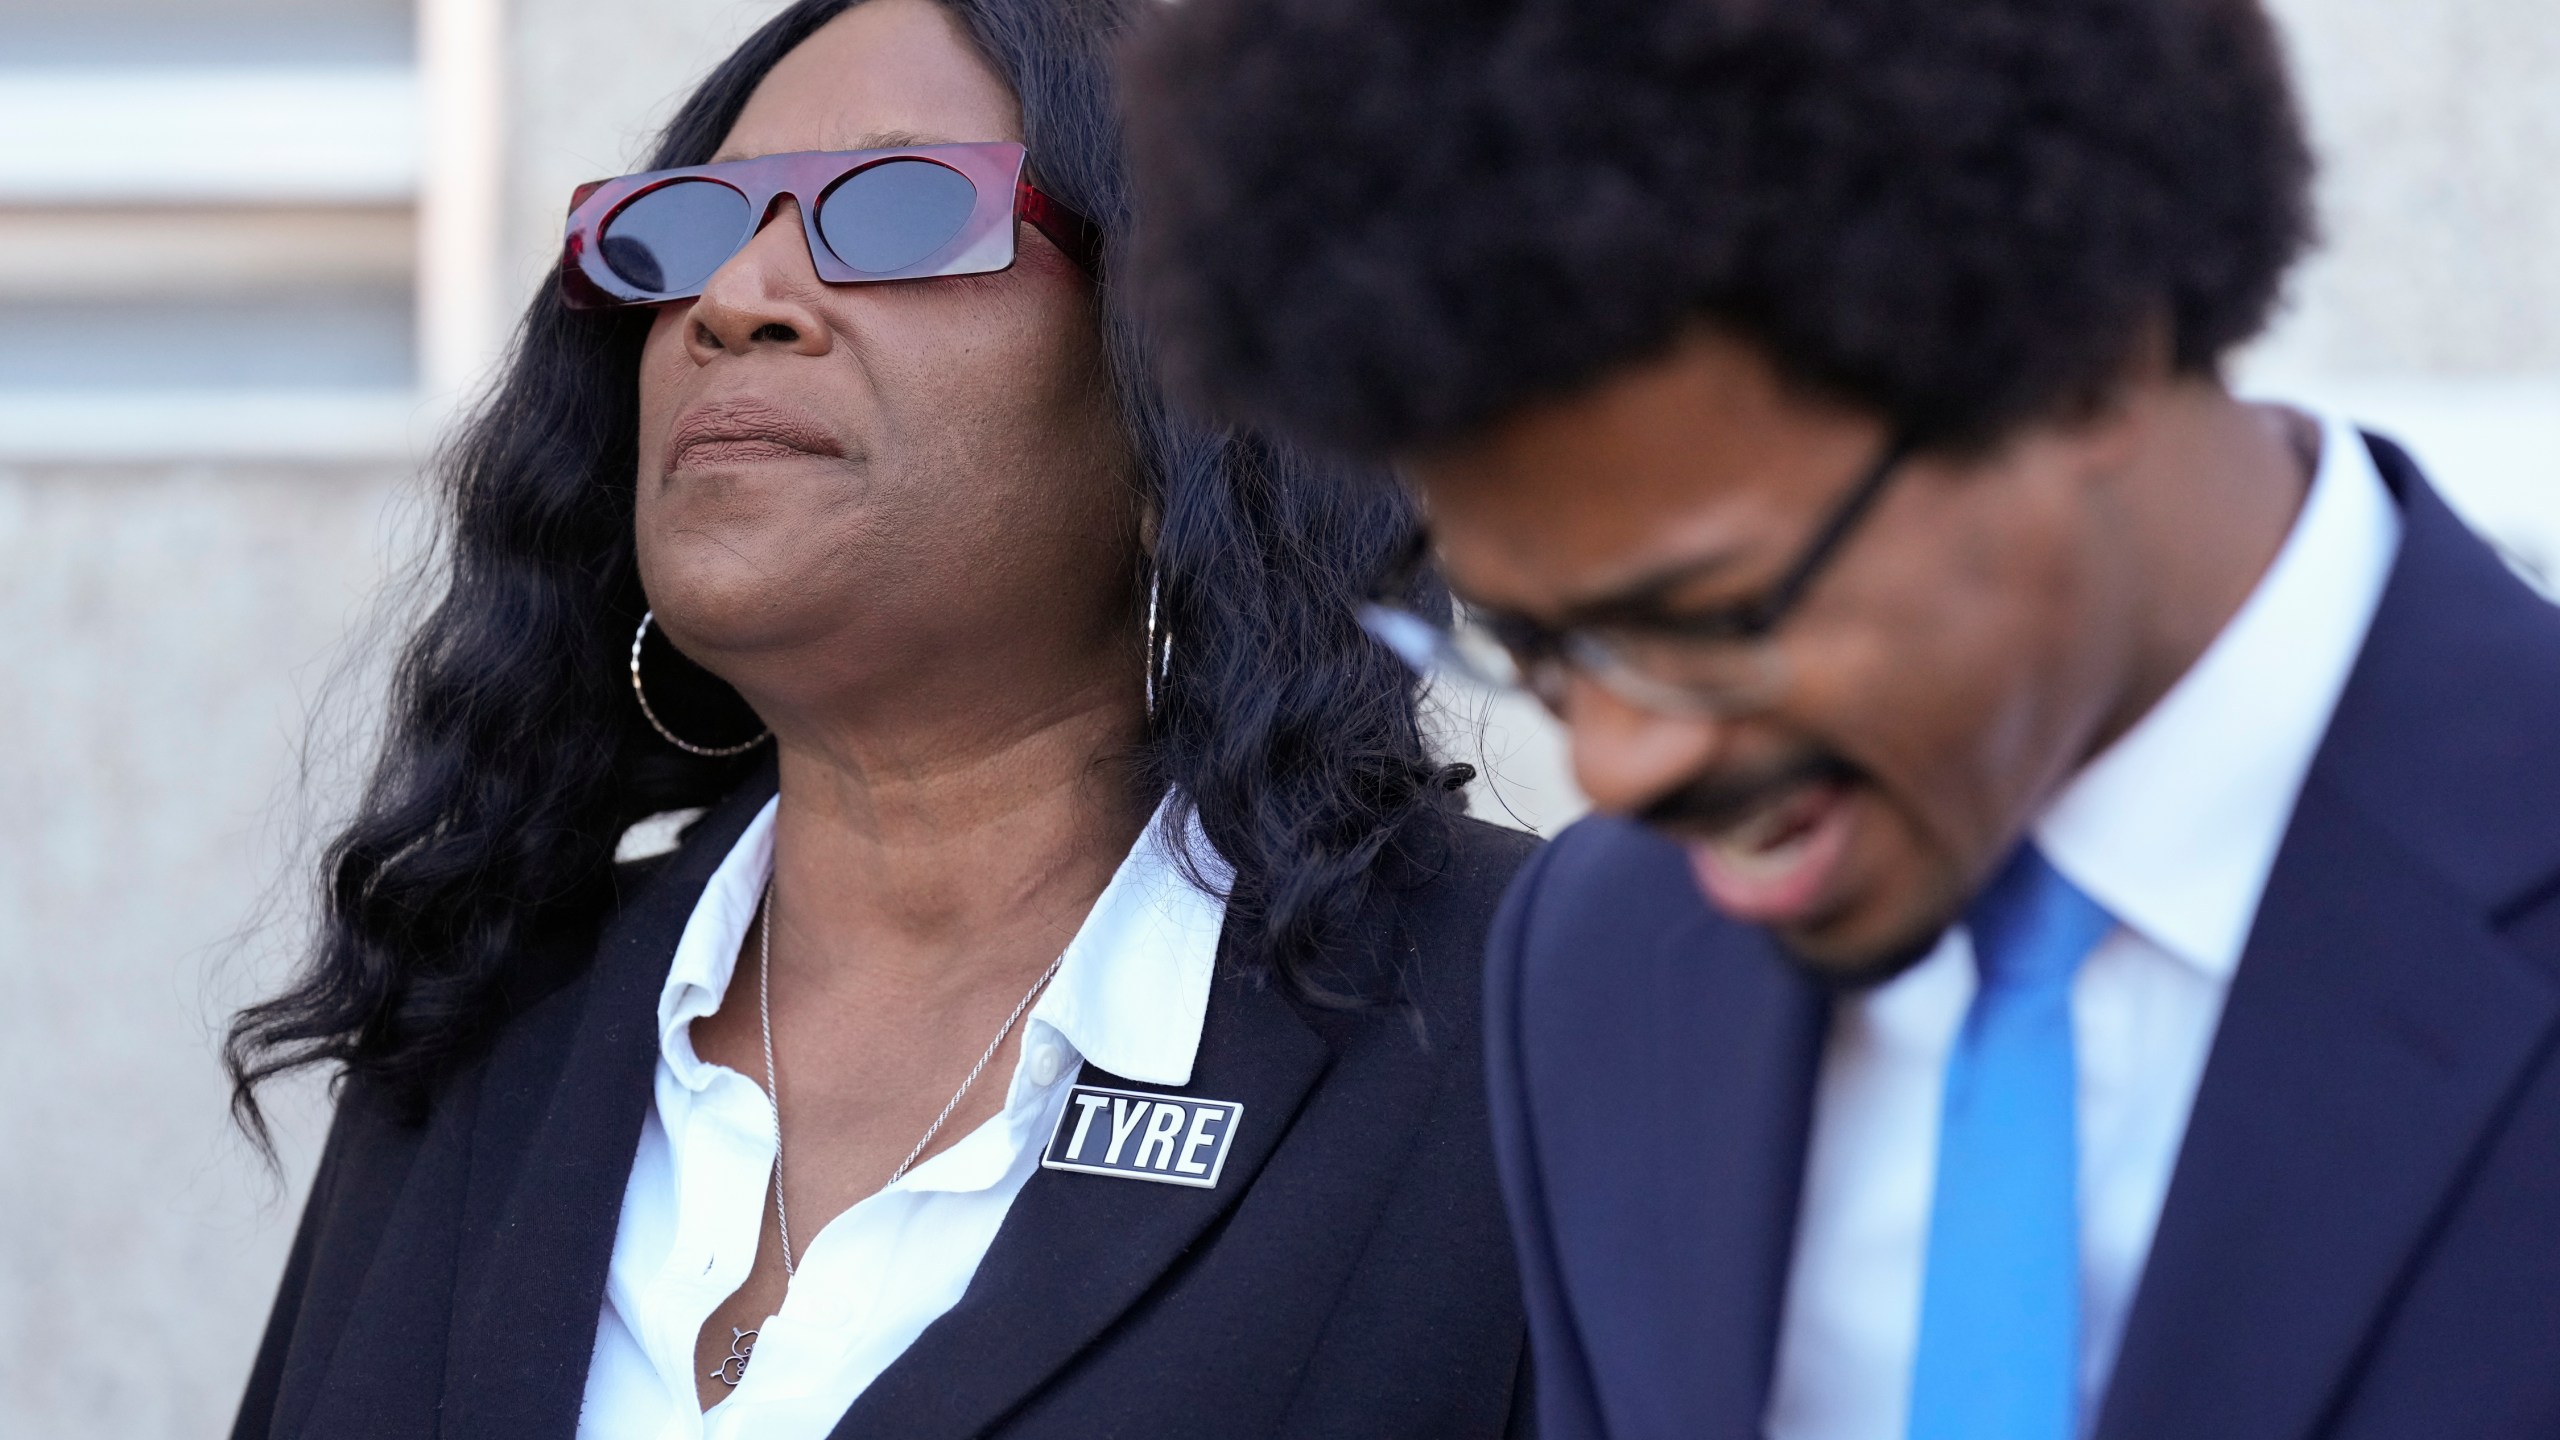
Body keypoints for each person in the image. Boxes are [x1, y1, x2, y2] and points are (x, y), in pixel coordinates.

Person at [1122, 0, 2560, 1436]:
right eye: (1537, 644)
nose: (1617, 767)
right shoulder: (1605, 964)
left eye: (1707, 624)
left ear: (2088, 355)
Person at [224, 1, 1538, 1436]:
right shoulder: (489, 1025)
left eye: (902, 208)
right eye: (687, 227)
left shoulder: (1527, 1024)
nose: (736, 297)